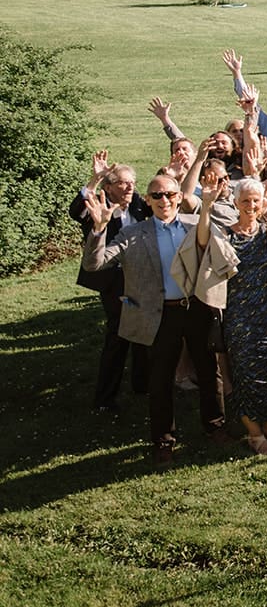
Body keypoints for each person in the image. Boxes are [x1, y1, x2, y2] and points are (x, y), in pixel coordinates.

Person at [80, 173, 225, 466]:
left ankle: (216, 427)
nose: (164, 201)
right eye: (157, 196)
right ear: (147, 200)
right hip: (160, 314)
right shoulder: (133, 234)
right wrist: (98, 229)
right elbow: (94, 264)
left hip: (196, 309)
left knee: (210, 373)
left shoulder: (195, 225)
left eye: (170, 194)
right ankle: (164, 440)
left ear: (179, 197)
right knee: (159, 380)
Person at [199, 174, 267, 454]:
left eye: (255, 201)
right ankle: (254, 433)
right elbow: (203, 240)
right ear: (236, 202)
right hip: (240, 315)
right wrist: (206, 206)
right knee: (245, 372)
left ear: (262, 203)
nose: (251, 205)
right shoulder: (226, 234)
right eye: (245, 201)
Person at [71, 154, 151, 414]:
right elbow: (76, 211)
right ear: (109, 187)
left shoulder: (137, 203)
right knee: (118, 334)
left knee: (144, 330)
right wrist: (95, 180)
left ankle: (142, 384)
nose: (130, 187)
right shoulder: (100, 203)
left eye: (133, 183)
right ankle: (105, 399)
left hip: (140, 276)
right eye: (124, 183)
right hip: (113, 280)